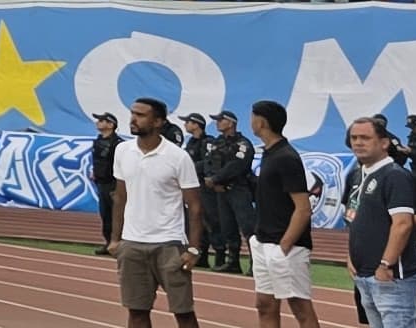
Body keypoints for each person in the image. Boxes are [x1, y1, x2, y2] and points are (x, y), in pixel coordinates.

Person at [111, 97, 202, 328]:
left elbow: (195, 206)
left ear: (158, 122)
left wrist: (193, 248)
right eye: (133, 113)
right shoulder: (122, 150)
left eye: (141, 115)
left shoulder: (177, 157)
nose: (133, 119)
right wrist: (115, 239)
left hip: (169, 245)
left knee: (183, 313)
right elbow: (120, 197)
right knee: (137, 312)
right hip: (132, 244)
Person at [345, 115, 416, 328]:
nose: (358, 142)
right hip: (364, 273)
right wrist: (350, 257)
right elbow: (353, 220)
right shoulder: (356, 175)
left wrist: (386, 264)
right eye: (354, 138)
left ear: (384, 143)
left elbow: (403, 223)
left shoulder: (394, 176)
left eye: (365, 137)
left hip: (392, 276)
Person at [246, 99, 318, 328]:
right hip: (263, 241)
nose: (251, 121)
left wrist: (284, 245)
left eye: (252, 116)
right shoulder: (269, 153)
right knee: (264, 304)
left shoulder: (286, 157)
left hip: (285, 246)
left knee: (300, 308)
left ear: (261, 122)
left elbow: (303, 208)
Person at [195, 112, 249, 277]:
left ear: (231, 123)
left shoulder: (242, 144)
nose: (217, 123)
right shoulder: (217, 143)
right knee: (227, 228)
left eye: (220, 120)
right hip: (221, 192)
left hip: (238, 190)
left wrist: (216, 179)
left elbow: (237, 166)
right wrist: (212, 180)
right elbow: (208, 162)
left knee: (248, 227)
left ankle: (256, 264)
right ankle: (233, 262)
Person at [91, 110, 125, 248]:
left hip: (114, 183)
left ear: (111, 124)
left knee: (116, 214)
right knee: (105, 214)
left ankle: (118, 242)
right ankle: (108, 242)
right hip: (101, 182)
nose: (97, 122)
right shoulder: (98, 141)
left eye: (101, 120)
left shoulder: (118, 144)